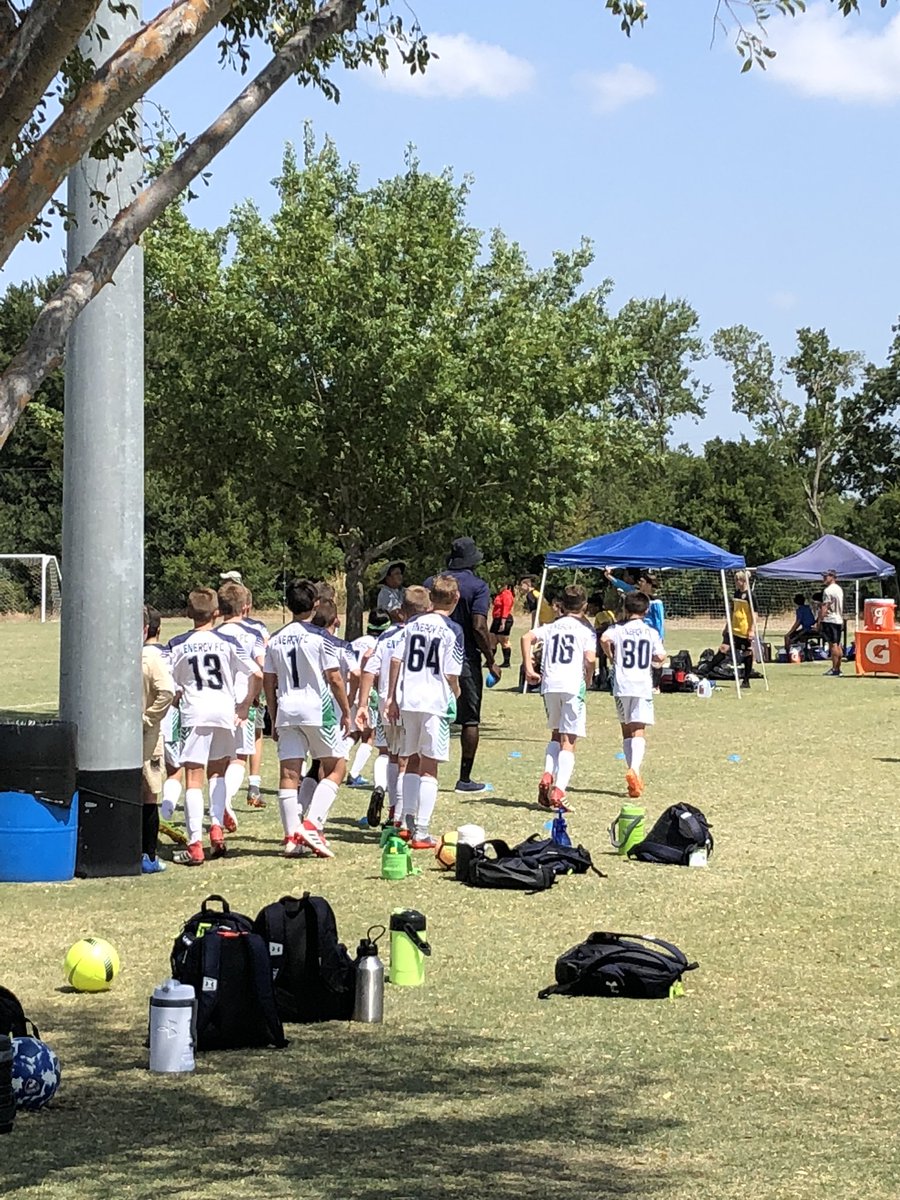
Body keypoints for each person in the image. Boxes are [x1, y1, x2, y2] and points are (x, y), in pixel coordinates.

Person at [167, 588, 262, 865]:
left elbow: (170, 684)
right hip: (224, 711)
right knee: (218, 772)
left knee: (193, 777)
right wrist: (245, 704)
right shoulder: (227, 641)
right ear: (217, 612)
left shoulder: (177, 644)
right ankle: (217, 831)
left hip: (195, 712)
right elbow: (256, 672)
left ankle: (195, 842)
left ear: (188, 613)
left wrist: (175, 698)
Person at [263, 578, 352, 859]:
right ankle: (312, 824)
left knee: (289, 773)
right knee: (336, 766)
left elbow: (269, 681)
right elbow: (334, 678)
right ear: (315, 606)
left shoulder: (274, 639)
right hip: (317, 709)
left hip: (287, 709)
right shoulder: (319, 637)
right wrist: (347, 711)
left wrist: (274, 714)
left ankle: (292, 838)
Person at [386, 579, 462, 849]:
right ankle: (422, 830)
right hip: (433, 702)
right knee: (430, 766)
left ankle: (405, 822)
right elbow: (451, 672)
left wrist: (392, 696)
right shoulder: (452, 630)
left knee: (412, 760)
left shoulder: (412, 625)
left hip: (409, 700)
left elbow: (397, 659)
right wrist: (456, 691)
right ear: (455, 597)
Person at [427, 537, 496, 793]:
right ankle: (464, 778)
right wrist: (490, 659)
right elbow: (479, 626)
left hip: (428, 660)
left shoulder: (430, 583)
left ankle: (421, 771)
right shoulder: (478, 586)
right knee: (470, 720)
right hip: (464, 658)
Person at [520, 584, 596, 812]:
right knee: (569, 740)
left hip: (550, 684)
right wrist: (589, 677)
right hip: (573, 685)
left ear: (561, 605)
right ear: (584, 606)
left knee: (555, 733)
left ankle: (546, 775)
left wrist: (529, 666)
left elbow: (526, 637)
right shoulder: (585, 631)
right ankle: (559, 790)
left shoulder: (551, 626)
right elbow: (590, 659)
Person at [601, 592, 667, 799]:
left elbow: (604, 638)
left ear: (626, 609)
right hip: (641, 684)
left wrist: (611, 655)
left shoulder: (617, 629)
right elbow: (660, 656)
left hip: (621, 684)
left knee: (626, 729)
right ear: (646, 610)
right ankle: (635, 770)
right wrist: (655, 659)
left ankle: (632, 772)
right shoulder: (651, 632)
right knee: (639, 729)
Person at [216, 581, 266, 832]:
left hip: (217, 700)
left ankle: (219, 806)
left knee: (221, 758)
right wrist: (251, 699)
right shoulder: (252, 634)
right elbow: (260, 669)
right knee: (240, 757)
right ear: (244, 606)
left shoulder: (214, 633)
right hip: (241, 700)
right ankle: (224, 802)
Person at [357, 603, 409, 825]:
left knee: (385, 752)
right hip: (406, 701)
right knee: (405, 760)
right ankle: (397, 812)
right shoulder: (414, 633)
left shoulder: (386, 636)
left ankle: (380, 786)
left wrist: (362, 702)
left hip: (383, 702)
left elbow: (369, 666)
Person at [141, 606, 175, 873]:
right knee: (149, 794)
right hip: (145, 738)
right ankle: (147, 855)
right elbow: (167, 690)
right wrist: (149, 718)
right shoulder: (151, 658)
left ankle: (143, 853)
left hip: (138, 735)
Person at [346, 609, 392, 787]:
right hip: (366, 690)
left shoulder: (356, 642)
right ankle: (354, 773)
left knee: (354, 732)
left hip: (351, 688)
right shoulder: (378, 644)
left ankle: (341, 757)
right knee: (369, 736)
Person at [697, 569, 755, 689]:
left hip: (744, 630)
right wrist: (727, 627)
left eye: (737, 580)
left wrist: (752, 629)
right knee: (723, 648)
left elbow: (755, 614)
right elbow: (733, 612)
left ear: (743, 581)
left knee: (747, 653)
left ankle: (746, 680)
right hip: (734, 629)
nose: (735, 582)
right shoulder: (736, 594)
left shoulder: (750, 596)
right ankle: (705, 671)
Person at [241, 588, 270, 809]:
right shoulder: (257, 629)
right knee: (254, 735)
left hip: (225, 693)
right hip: (251, 691)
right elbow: (263, 661)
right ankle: (253, 786)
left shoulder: (219, 630)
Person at [820, 569, 845, 676]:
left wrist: (819, 620)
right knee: (838, 644)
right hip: (838, 619)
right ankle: (838, 668)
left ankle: (835, 669)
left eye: (826, 576)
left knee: (833, 645)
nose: (824, 578)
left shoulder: (828, 591)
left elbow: (825, 606)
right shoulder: (839, 589)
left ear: (832, 577)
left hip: (830, 620)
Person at [490, 581, 515, 669]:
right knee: (492, 640)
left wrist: (503, 622)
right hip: (496, 619)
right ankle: (490, 661)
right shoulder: (500, 594)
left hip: (504, 619)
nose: (499, 586)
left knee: (503, 641)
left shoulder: (507, 594)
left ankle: (506, 662)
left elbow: (506, 608)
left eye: (501, 585)